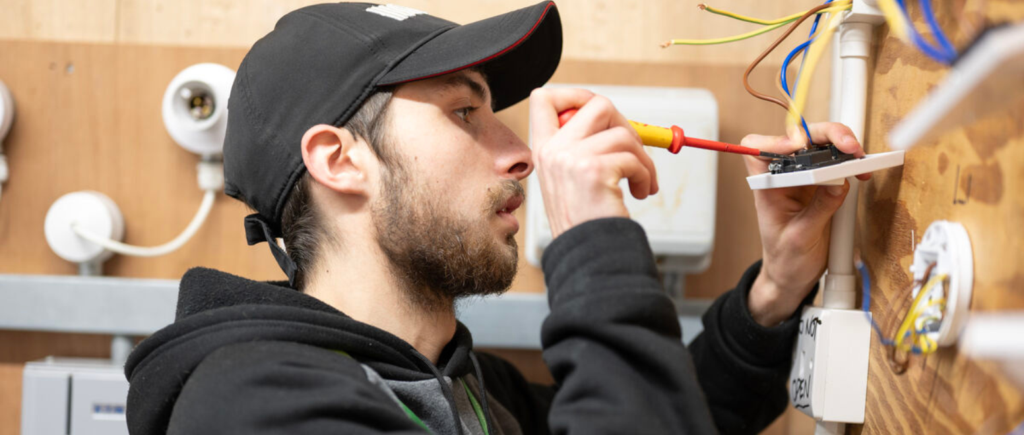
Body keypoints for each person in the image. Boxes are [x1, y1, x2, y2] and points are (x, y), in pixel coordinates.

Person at [124, 2, 869, 434]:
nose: (520, 154)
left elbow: (653, 406)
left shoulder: (465, 386)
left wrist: (777, 284)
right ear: (340, 159)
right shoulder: (256, 410)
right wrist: (593, 247)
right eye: (463, 111)